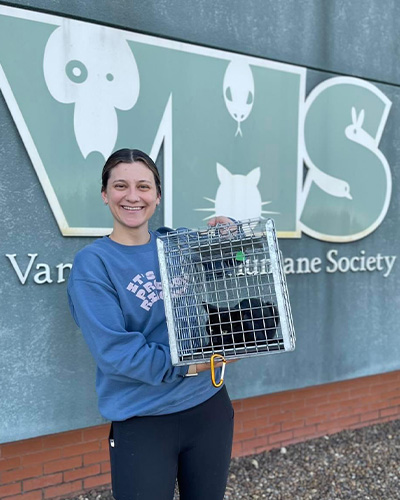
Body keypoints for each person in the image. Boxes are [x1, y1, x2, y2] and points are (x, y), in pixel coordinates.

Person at [67, 148, 236, 500]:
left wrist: (234, 240)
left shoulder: (175, 244)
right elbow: (117, 355)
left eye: (143, 186)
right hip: (144, 419)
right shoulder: (93, 265)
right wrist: (194, 365)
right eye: (120, 186)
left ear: (157, 197)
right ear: (104, 194)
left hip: (209, 406)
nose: (132, 196)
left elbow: (231, 264)